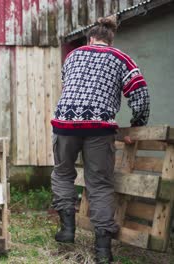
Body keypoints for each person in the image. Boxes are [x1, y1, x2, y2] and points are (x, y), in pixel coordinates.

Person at [50, 17, 150, 263]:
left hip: (65, 124)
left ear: (90, 38)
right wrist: (137, 124)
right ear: (109, 39)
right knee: (100, 185)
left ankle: (67, 230)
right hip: (99, 128)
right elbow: (141, 94)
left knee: (63, 174)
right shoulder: (121, 58)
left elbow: (69, 86)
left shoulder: (73, 56)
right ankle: (103, 251)